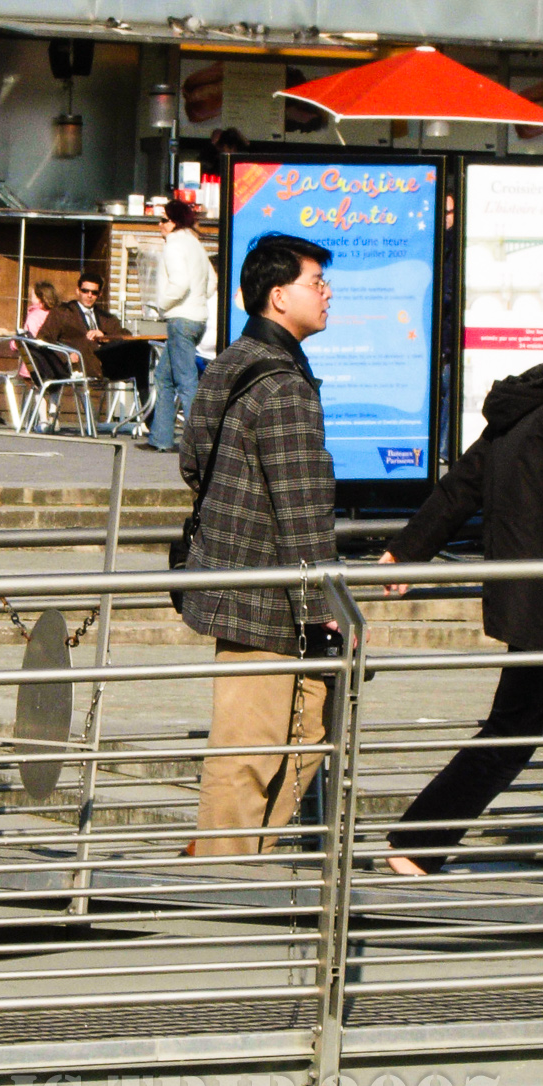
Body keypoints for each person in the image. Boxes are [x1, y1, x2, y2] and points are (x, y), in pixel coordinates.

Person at [376, 292, 543, 883]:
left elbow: (463, 485)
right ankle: (416, 841)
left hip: (538, 598)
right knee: (515, 731)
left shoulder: (530, 401)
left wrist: (407, 550)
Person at [180, 233, 337, 857]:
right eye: (315, 283)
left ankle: (243, 861)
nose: (327, 293)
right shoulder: (284, 385)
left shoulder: (232, 359)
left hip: (235, 579)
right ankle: (218, 876)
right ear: (278, 296)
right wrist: (324, 608)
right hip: (269, 595)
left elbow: (192, 461)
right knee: (251, 748)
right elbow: (303, 509)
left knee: (302, 732)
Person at [146, 197, 216, 452]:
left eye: (163, 220)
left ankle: (199, 445)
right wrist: (197, 301)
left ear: (174, 222)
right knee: (163, 377)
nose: (159, 225)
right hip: (198, 319)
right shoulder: (196, 245)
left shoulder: (174, 245)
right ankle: (160, 438)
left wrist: (162, 304)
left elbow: (180, 283)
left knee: (187, 382)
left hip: (181, 320)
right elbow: (212, 282)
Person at [39, 271, 151, 401]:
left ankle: (148, 408)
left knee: (141, 349)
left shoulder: (105, 317)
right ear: (78, 290)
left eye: (94, 292)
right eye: (85, 291)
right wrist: (65, 355)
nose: (89, 295)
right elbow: (43, 338)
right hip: (79, 366)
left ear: (100, 294)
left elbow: (126, 335)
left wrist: (104, 335)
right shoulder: (63, 313)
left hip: (105, 366)